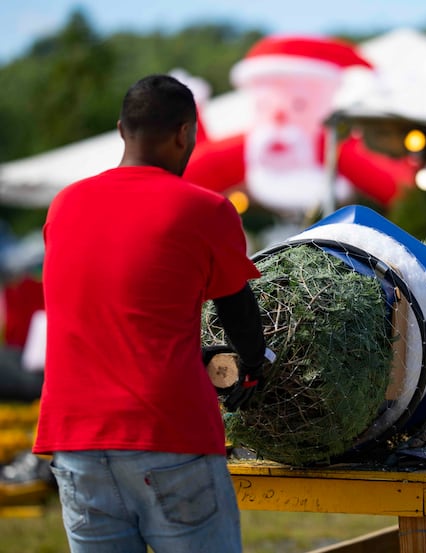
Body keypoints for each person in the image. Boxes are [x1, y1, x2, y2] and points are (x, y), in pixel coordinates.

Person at [33, 74, 268, 553]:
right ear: (185, 134)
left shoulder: (64, 205)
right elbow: (238, 311)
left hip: (75, 441)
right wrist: (255, 367)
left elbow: (112, 310)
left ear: (122, 130)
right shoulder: (205, 209)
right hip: (168, 433)